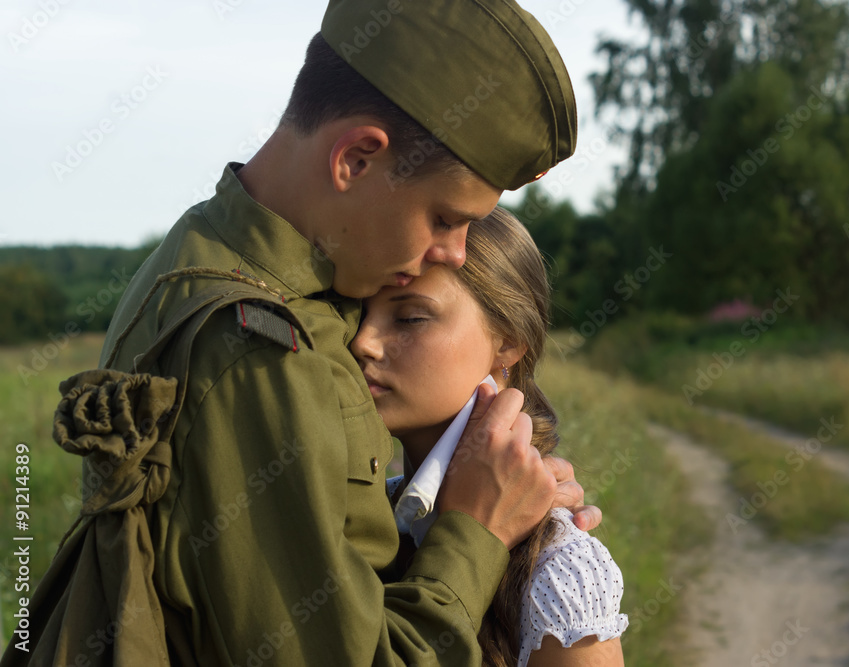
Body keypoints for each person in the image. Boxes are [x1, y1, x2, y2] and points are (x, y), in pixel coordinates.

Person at [0, 3, 599, 667]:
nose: (455, 253)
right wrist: (477, 530)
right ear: (357, 159)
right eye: (444, 218)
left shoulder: (204, 249)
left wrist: (489, 489)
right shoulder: (259, 349)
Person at [352, 207, 628, 667]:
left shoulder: (557, 572)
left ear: (508, 340)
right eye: (358, 315)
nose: (363, 341)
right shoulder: (368, 516)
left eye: (410, 318)